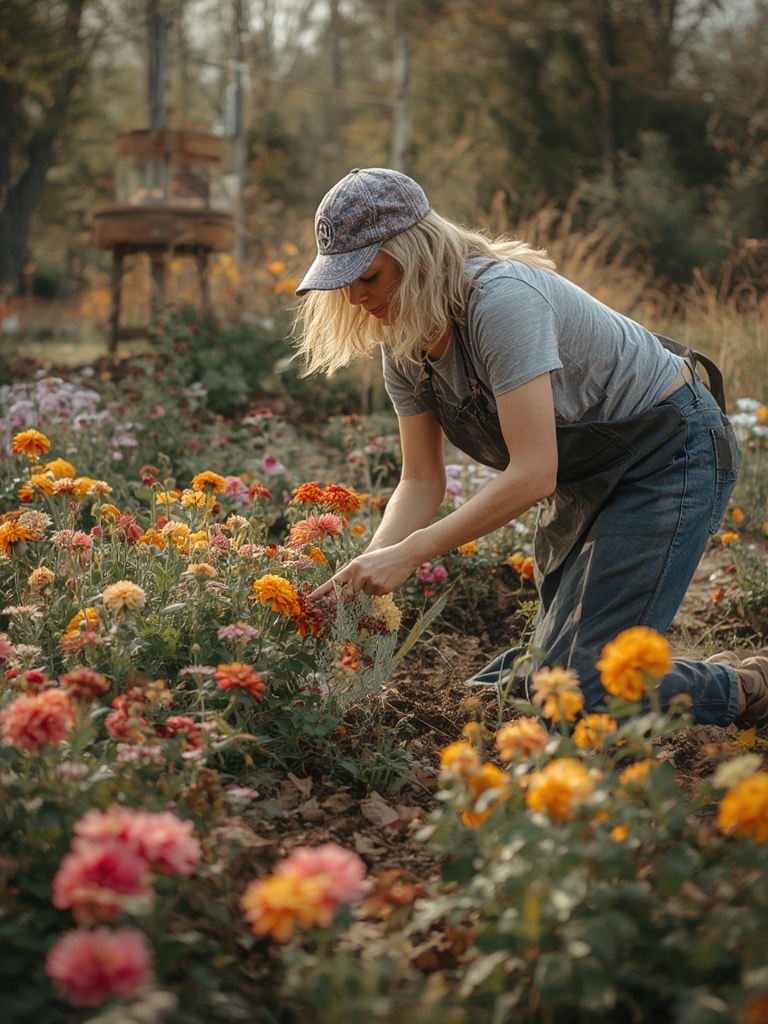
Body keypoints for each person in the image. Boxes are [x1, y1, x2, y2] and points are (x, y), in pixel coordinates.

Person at [295, 166, 767, 729]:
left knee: (584, 690)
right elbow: (420, 480)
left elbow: (535, 472)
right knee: (532, 689)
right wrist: (367, 570)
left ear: (414, 253)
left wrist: (411, 554)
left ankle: (746, 688)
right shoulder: (403, 344)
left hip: (669, 455)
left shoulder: (500, 303)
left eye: (367, 275)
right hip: (584, 475)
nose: (355, 297)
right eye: (342, 282)